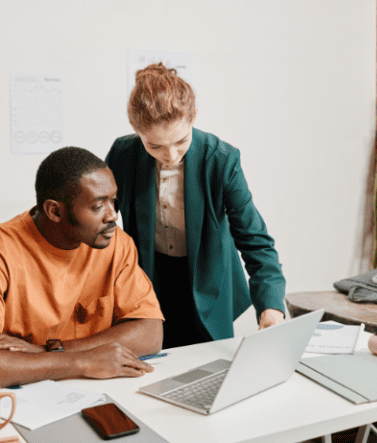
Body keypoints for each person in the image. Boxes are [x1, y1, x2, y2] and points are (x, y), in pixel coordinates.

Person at [0, 146, 164, 390]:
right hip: (24, 400)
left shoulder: (116, 243)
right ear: (55, 211)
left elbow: (150, 333)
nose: (112, 216)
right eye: (98, 206)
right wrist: (79, 362)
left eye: (113, 201)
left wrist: (47, 350)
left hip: (97, 390)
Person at [106, 63, 286, 349]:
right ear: (135, 130)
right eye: (155, 146)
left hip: (207, 278)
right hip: (148, 279)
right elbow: (100, 223)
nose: (170, 155)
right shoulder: (123, 154)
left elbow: (256, 241)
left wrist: (271, 308)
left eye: (181, 141)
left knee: (209, 366)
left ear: (194, 118)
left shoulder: (221, 160)